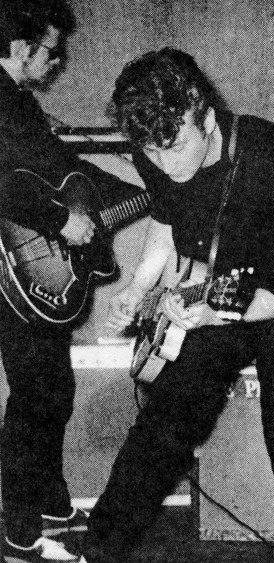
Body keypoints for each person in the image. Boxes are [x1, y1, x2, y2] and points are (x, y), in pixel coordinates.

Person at [80, 48, 274, 563]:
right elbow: (164, 219)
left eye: (175, 147)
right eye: (151, 153)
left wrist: (222, 311)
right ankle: (97, 552)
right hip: (217, 292)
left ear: (206, 117)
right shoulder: (157, 142)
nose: (164, 164)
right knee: (163, 427)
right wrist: (137, 289)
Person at [0, 2, 142, 561]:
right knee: (37, 395)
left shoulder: (20, 106)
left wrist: (154, 183)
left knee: (51, 388)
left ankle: (50, 504)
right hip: (17, 265)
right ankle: (17, 531)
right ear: (18, 47)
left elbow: (61, 168)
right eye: (50, 50)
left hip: (36, 270)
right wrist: (60, 221)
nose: (57, 61)